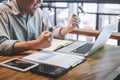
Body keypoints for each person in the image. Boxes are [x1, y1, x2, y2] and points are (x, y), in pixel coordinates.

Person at [0, 0, 80, 55]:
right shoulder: (2, 11)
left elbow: (50, 33)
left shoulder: (39, 13)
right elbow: (2, 45)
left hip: (34, 60)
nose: (40, 1)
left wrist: (68, 28)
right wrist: (36, 44)